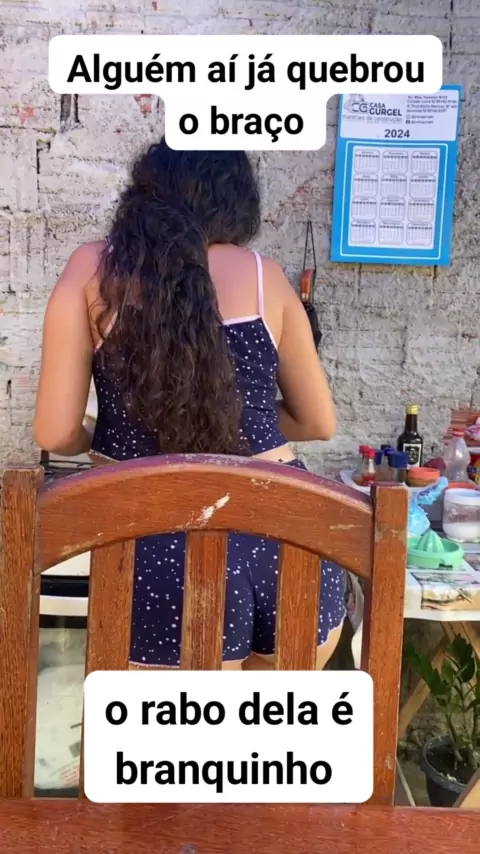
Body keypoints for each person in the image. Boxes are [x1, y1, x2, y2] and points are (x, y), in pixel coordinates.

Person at [34, 139, 346, 671]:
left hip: (161, 549)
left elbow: (54, 432)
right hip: (288, 533)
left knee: (165, 728)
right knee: (271, 724)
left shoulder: (94, 267)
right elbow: (318, 421)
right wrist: (238, 421)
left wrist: (100, 438)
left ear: (148, 190)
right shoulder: (263, 274)